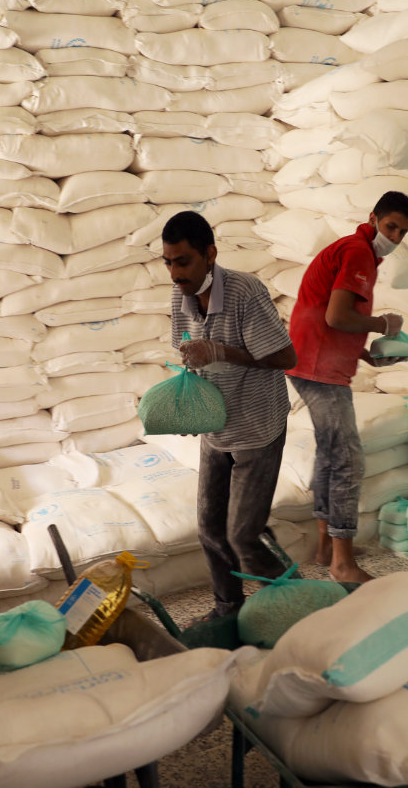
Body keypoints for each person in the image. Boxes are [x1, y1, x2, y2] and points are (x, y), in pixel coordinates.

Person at [162, 210, 298, 620]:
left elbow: (285, 357)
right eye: (167, 262)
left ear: (210, 254)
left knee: (243, 535)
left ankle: (297, 603)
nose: (174, 272)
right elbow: (189, 355)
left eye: (182, 261)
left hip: (257, 426)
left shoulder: (244, 292)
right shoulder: (180, 295)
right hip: (216, 425)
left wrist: (221, 351)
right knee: (210, 529)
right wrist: (189, 405)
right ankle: (228, 610)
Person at [286, 191, 408, 583]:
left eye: (402, 233)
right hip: (316, 367)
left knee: (330, 453)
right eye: (391, 226)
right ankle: (343, 564)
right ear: (373, 217)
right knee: (347, 458)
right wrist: (384, 325)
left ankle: (328, 546)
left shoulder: (357, 251)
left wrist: (364, 355)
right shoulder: (358, 252)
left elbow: (331, 318)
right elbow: (337, 314)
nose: (394, 237)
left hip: (312, 359)